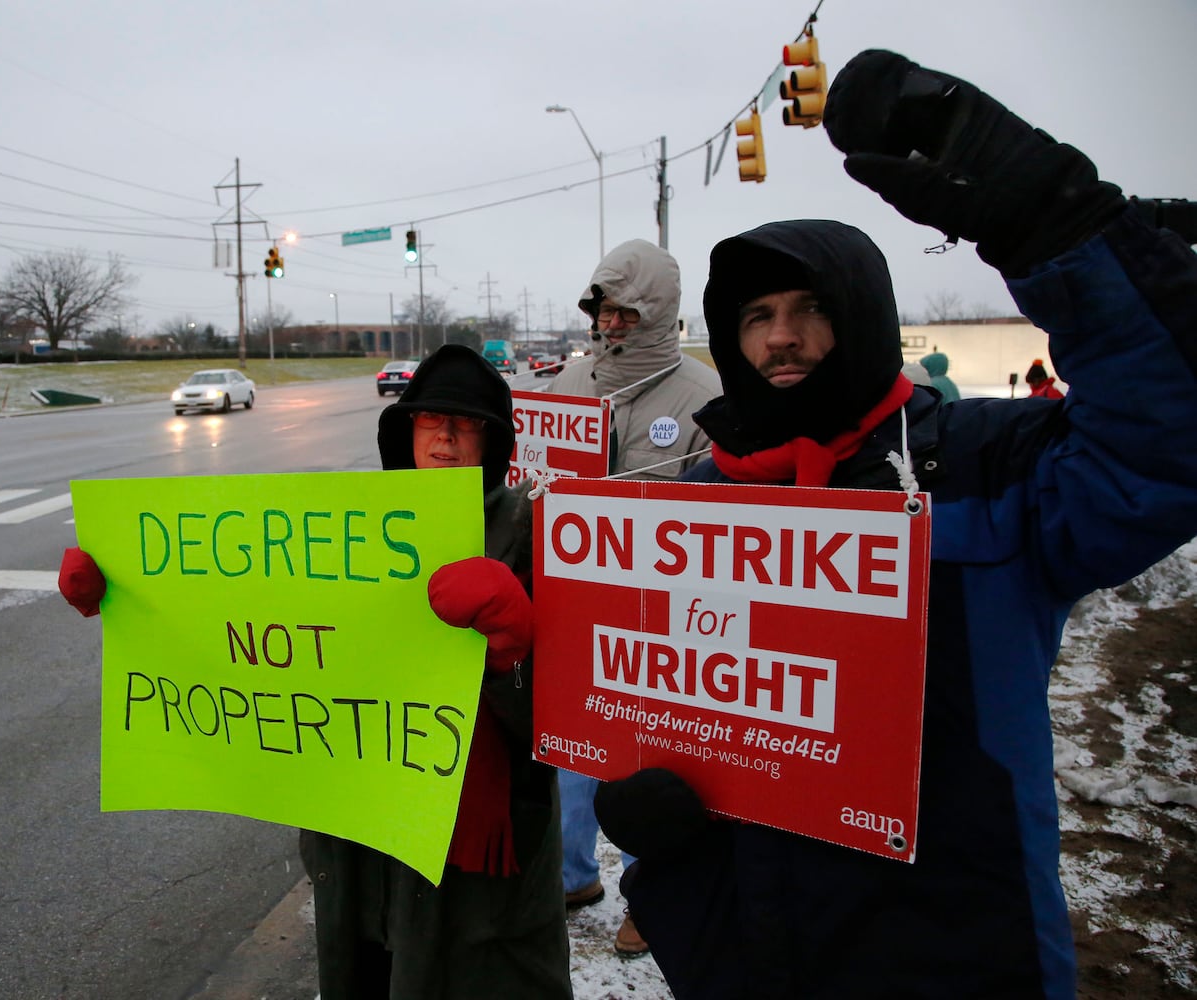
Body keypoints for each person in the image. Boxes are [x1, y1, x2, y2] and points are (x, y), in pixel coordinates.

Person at [591, 49, 1197, 999]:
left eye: (808, 309)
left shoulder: (985, 464)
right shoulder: (695, 496)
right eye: (754, 315)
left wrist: (1048, 219)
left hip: (954, 940)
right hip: (743, 946)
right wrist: (666, 838)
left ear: (866, 318)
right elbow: (640, 687)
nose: (778, 337)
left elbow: (1161, 448)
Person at [59, 344, 573, 1000]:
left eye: (466, 423)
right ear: (402, 430)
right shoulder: (349, 532)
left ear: (493, 440)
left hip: (470, 860)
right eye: (429, 419)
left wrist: (511, 651)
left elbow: (562, 725)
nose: (444, 436)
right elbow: (238, 627)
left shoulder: (535, 533)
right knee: (372, 969)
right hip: (359, 837)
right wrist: (125, 594)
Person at [547, 237, 721, 957]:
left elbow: (728, 520)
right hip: (573, 607)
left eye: (624, 311)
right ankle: (569, 875)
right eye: (601, 310)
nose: (609, 324)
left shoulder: (705, 397)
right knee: (567, 755)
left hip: (662, 618)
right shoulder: (566, 383)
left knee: (655, 770)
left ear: (659, 313)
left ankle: (652, 899)